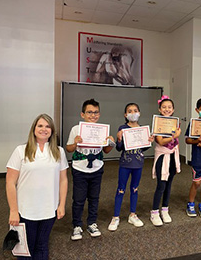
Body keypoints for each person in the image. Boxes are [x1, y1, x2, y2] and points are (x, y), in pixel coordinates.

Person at [7, 114, 69, 260]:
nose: (44, 129)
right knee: (25, 249)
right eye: (40, 125)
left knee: (41, 246)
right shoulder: (20, 151)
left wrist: (61, 205)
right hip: (26, 210)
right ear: (34, 129)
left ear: (52, 131)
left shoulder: (58, 152)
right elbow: (10, 182)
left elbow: (63, 180)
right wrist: (13, 211)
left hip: (49, 209)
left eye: (48, 126)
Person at [66, 98, 115, 240]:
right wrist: (75, 143)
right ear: (82, 114)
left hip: (97, 168)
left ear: (99, 114)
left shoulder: (102, 130)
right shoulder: (76, 129)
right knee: (79, 199)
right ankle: (77, 225)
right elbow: (69, 149)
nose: (93, 115)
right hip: (80, 169)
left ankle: (92, 223)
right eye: (89, 112)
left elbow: (106, 151)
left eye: (95, 112)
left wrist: (110, 142)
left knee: (94, 198)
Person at [110, 103, 152, 231]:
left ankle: (132, 214)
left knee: (135, 188)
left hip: (138, 163)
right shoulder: (122, 128)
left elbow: (143, 148)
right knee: (120, 188)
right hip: (125, 163)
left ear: (139, 113)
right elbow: (119, 148)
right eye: (130, 111)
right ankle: (116, 216)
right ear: (125, 114)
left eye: (135, 110)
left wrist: (149, 141)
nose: (133, 113)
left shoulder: (142, 129)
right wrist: (119, 139)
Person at [149, 96, 181, 226]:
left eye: (169, 107)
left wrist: (175, 135)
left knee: (169, 184)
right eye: (164, 107)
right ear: (159, 109)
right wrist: (173, 136)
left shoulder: (175, 123)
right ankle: (155, 212)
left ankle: (165, 209)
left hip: (173, 155)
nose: (167, 109)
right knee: (161, 185)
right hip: (163, 156)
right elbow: (161, 141)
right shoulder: (157, 123)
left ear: (173, 110)